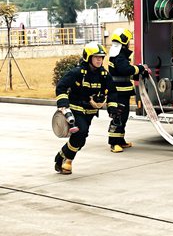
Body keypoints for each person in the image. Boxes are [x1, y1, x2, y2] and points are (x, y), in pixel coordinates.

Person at [54, 42, 117, 175]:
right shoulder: (77, 72)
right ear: (88, 57)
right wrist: (63, 104)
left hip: (90, 112)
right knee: (80, 133)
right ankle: (67, 162)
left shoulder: (104, 75)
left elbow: (112, 91)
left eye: (101, 57)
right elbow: (61, 86)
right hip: (76, 109)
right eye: (96, 57)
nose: (99, 60)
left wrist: (113, 109)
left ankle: (61, 156)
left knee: (81, 140)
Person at [107, 28, 150, 153]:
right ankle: (114, 143)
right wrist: (141, 68)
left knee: (123, 116)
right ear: (124, 41)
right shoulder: (119, 56)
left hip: (122, 92)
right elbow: (126, 69)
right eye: (128, 41)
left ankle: (120, 140)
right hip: (118, 93)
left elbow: (124, 74)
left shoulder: (119, 55)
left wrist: (140, 74)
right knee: (118, 116)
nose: (130, 43)